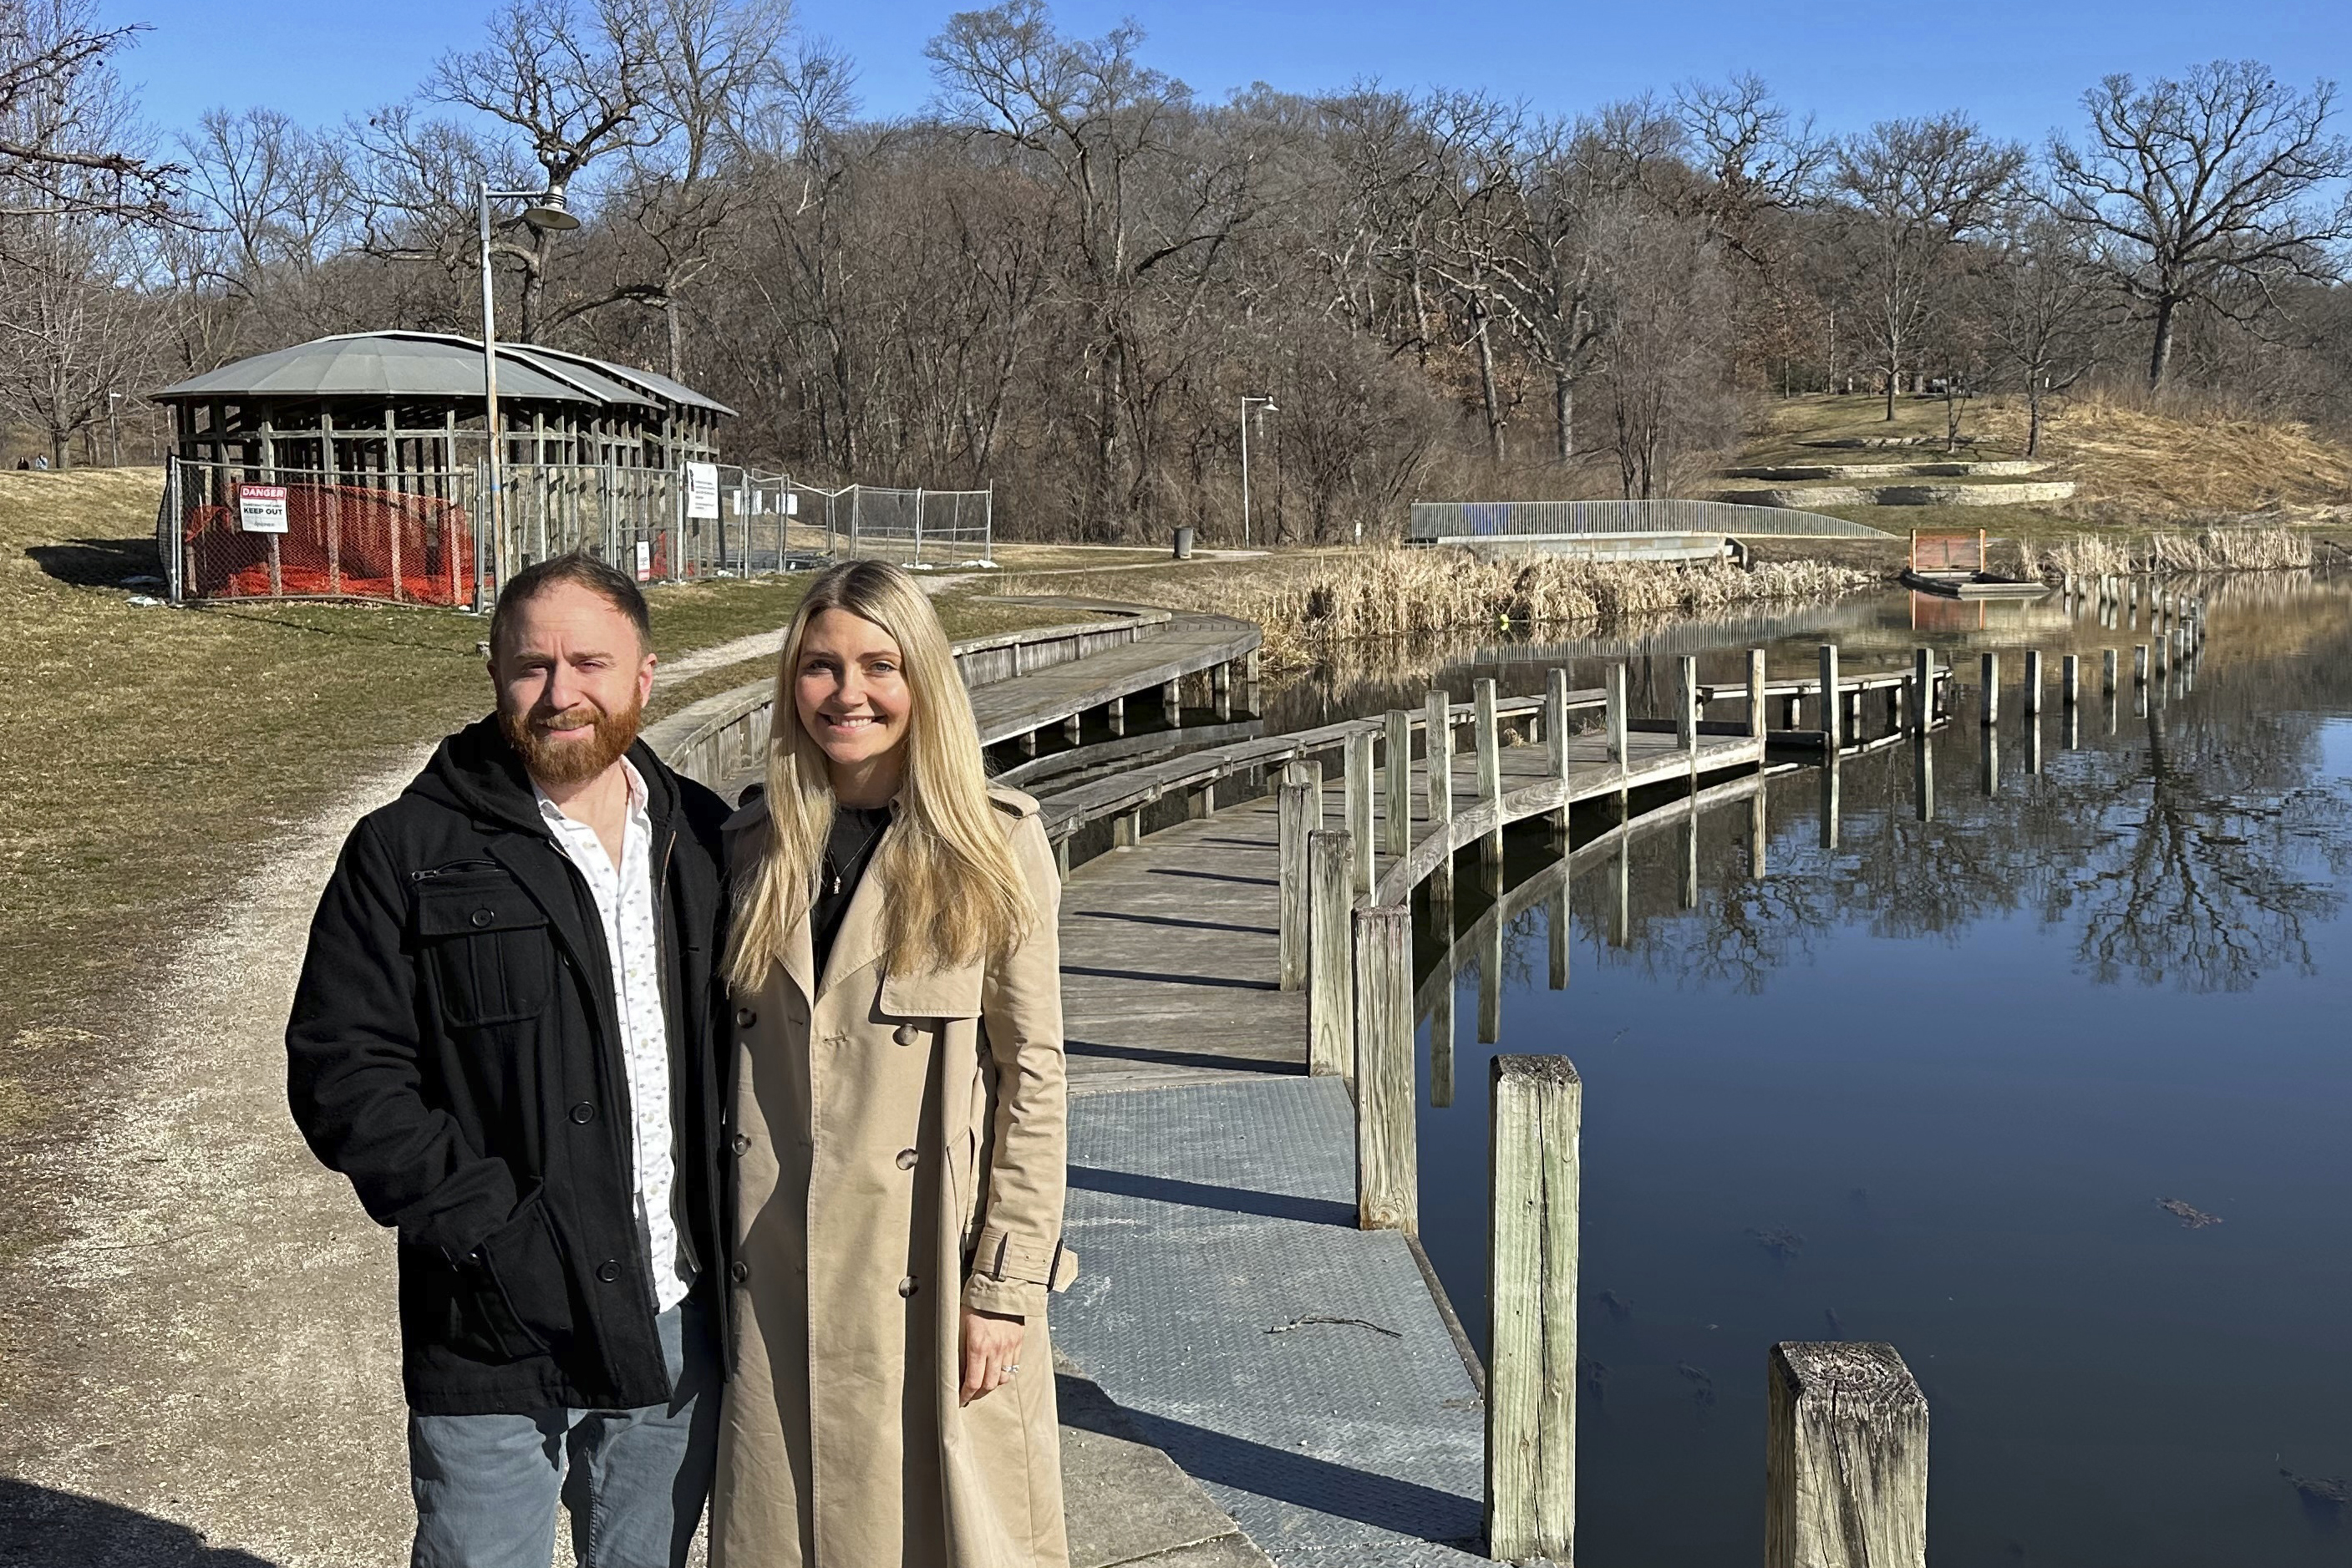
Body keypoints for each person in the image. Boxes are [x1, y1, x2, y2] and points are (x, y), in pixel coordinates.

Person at [286, 552, 732, 1568]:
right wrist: (485, 1231)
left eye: (590, 661)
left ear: (645, 676)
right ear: (493, 671)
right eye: (531, 665)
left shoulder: (704, 838)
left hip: (675, 1306)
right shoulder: (405, 849)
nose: (560, 691)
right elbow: (341, 1066)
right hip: (490, 1322)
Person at [714, 559, 1075, 1567]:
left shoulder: (994, 846)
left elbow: (1033, 1076)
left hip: (926, 1271)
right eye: (821, 667)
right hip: (777, 1276)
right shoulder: (752, 847)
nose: (849, 693)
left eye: (879, 664)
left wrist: (1005, 1287)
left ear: (922, 679)